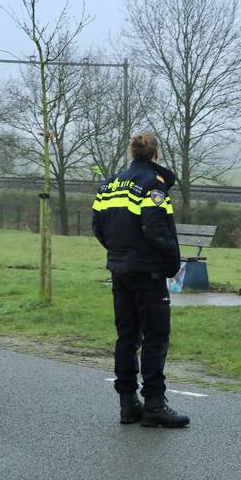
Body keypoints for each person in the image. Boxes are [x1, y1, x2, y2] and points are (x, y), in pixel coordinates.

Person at [91, 132, 190, 428]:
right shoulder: (153, 184)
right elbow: (157, 227)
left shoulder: (110, 184)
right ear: (155, 154)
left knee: (127, 336)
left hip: (120, 270)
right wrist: (172, 263)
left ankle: (127, 404)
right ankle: (155, 405)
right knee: (155, 337)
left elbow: (98, 225)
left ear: (132, 153)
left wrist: (118, 253)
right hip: (148, 272)